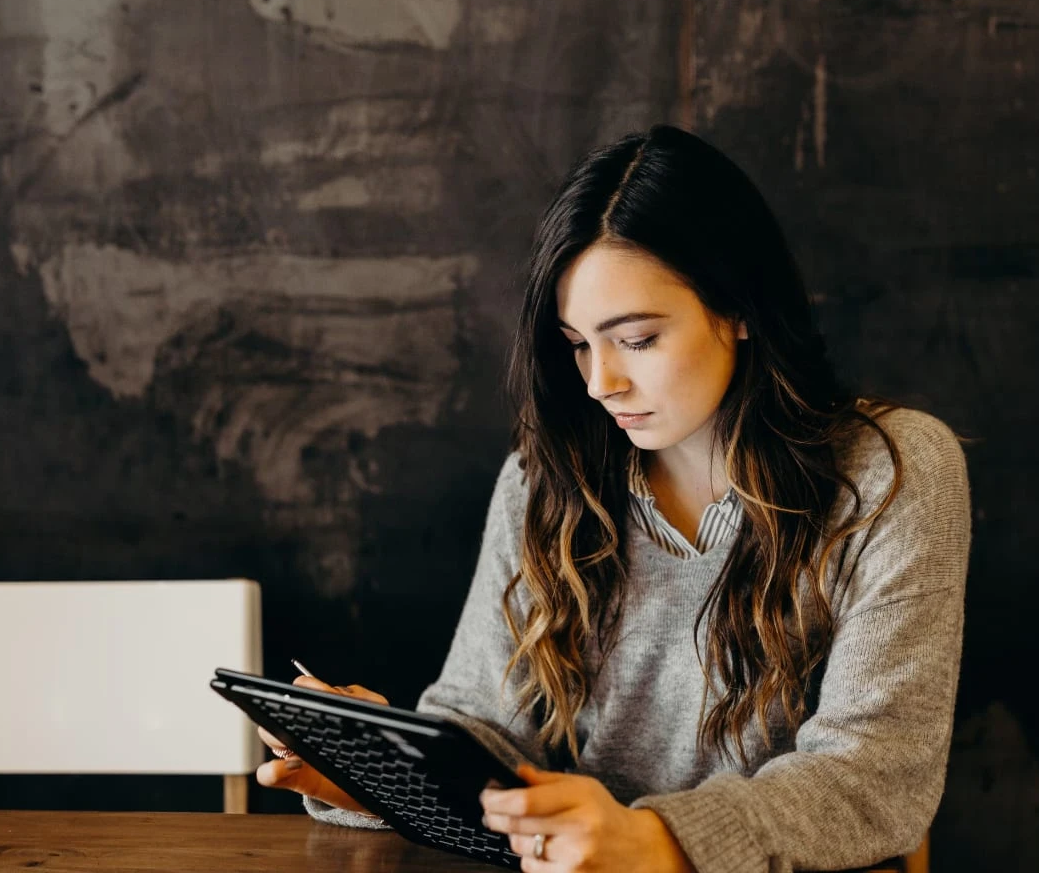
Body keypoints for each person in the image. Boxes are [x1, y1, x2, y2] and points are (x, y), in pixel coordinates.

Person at [256, 124, 971, 873]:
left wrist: (656, 840)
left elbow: (877, 776)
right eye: (577, 344)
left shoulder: (892, 471)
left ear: (739, 309)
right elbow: (489, 730)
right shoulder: (544, 478)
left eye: (635, 340)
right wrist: (389, 774)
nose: (600, 384)